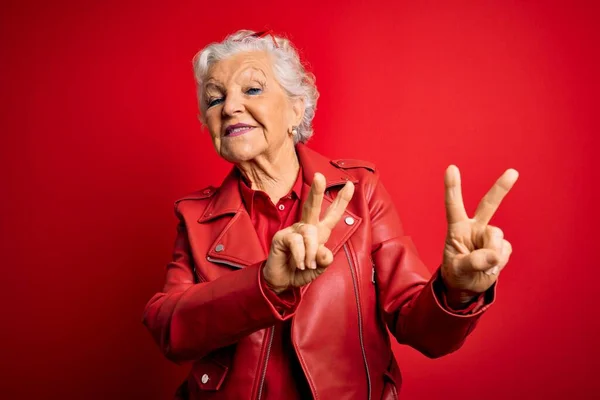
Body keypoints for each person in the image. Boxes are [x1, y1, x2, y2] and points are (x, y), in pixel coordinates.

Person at [142, 29, 518, 400]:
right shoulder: (195, 217)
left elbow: (421, 330)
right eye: (214, 99)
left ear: (296, 107)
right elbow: (169, 329)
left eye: (252, 89)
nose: (229, 107)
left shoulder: (361, 190)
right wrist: (265, 285)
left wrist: (457, 290)